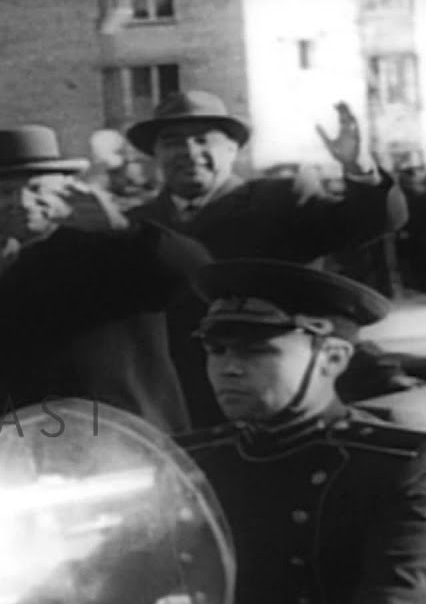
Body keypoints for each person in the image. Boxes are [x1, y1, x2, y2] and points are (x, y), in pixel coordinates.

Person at [175, 259, 426, 604]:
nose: (229, 368)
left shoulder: (412, 465)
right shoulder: (194, 459)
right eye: (216, 350)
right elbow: (119, 589)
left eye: (257, 351)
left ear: (332, 358)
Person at [0, 125, 211, 435]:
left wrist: (123, 229)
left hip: (117, 438)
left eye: (37, 188)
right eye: (4, 191)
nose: (22, 202)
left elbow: (196, 272)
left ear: (66, 189)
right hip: (1, 446)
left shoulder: (112, 245)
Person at [124, 91, 409, 428]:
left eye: (204, 141)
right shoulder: (136, 224)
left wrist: (357, 166)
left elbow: (371, 220)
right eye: (173, 142)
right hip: (183, 395)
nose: (190, 153)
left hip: (277, 387)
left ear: (233, 149)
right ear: (155, 154)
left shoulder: (280, 200)